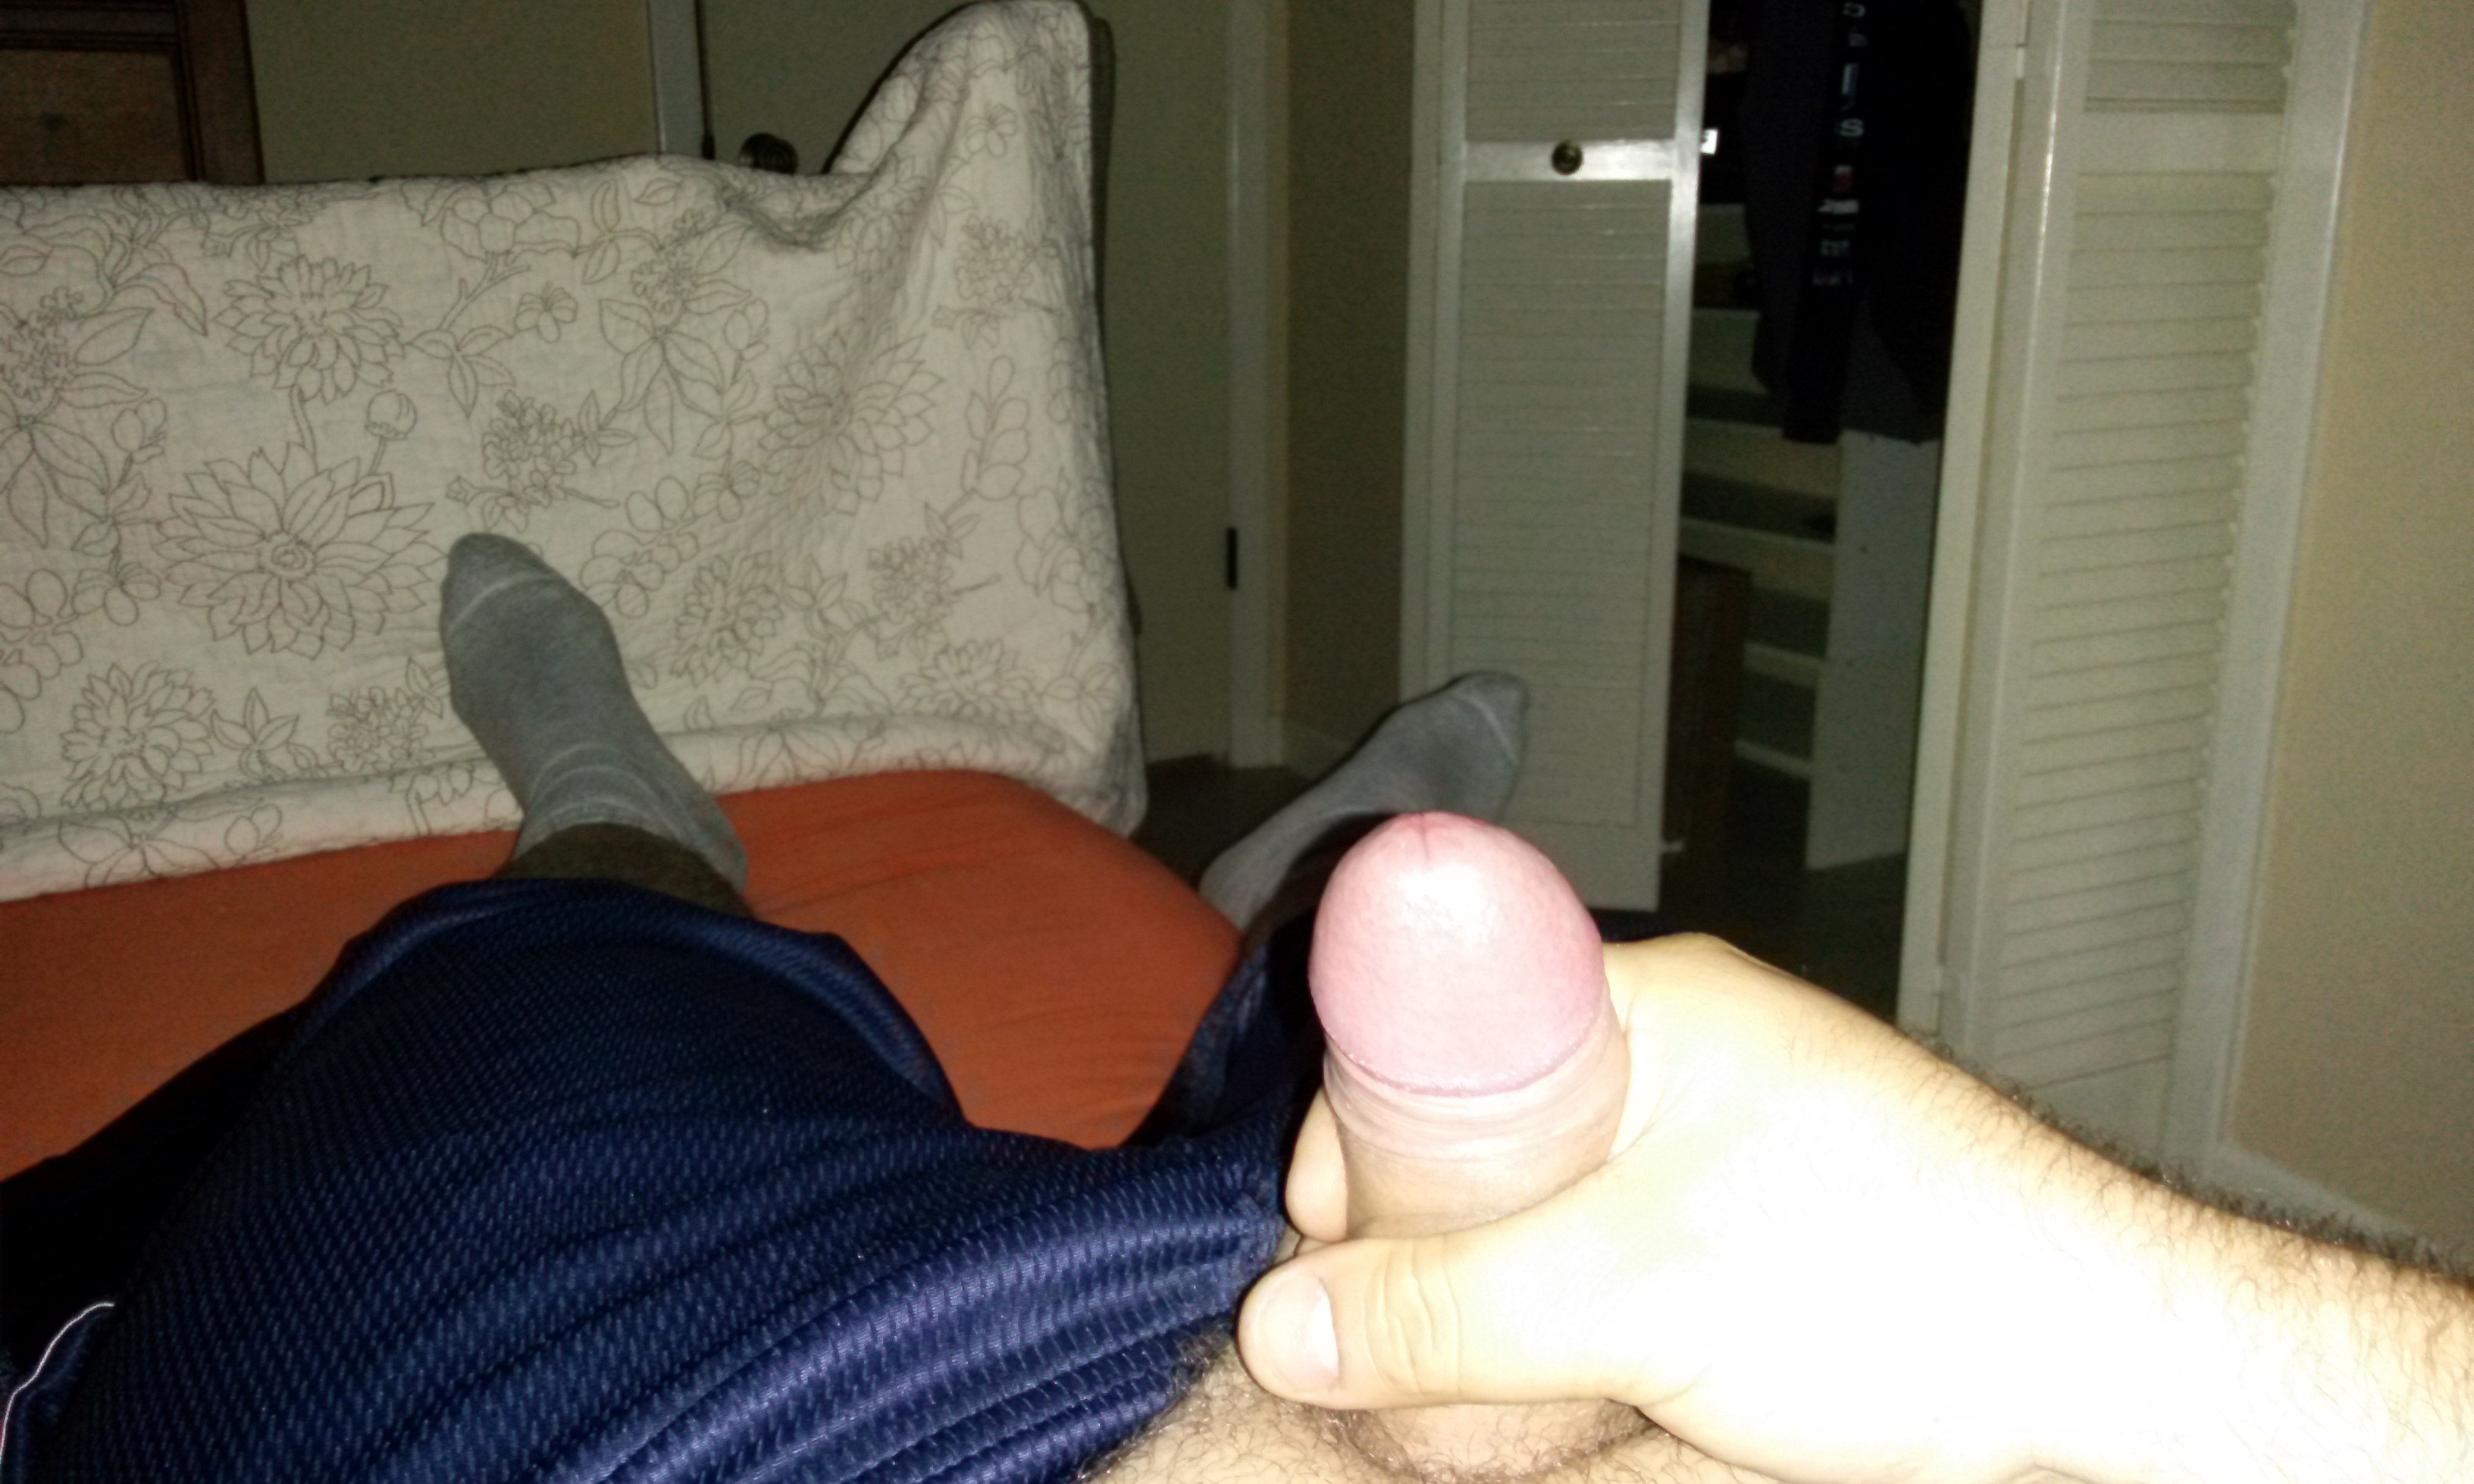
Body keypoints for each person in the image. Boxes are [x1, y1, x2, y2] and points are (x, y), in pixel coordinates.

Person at [9, 537, 2468, 1484]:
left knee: (586, 951)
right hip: (1200, 1312)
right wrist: (2126, 1335)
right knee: (1327, 1184)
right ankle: (1279, 892)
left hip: (587, 1352)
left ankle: (600, 789)